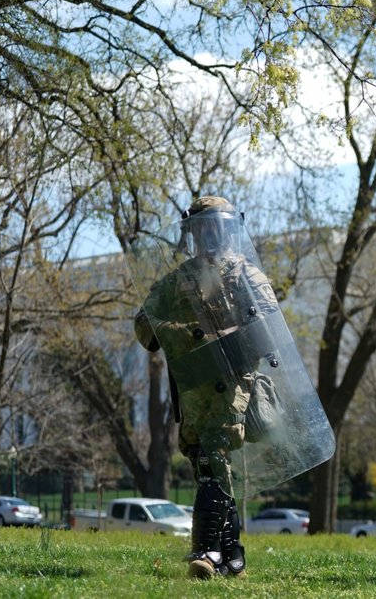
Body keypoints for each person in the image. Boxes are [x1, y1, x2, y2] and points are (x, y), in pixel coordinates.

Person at [133, 196, 276, 579]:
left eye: (216, 227)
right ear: (192, 233)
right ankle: (233, 558)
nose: (209, 234)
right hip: (192, 385)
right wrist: (187, 335)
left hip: (232, 383)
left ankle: (206, 552)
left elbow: (269, 327)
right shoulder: (175, 280)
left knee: (214, 456)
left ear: (229, 229)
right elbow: (145, 327)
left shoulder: (246, 273)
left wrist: (226, 337)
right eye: (202, 228)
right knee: (206, 464)